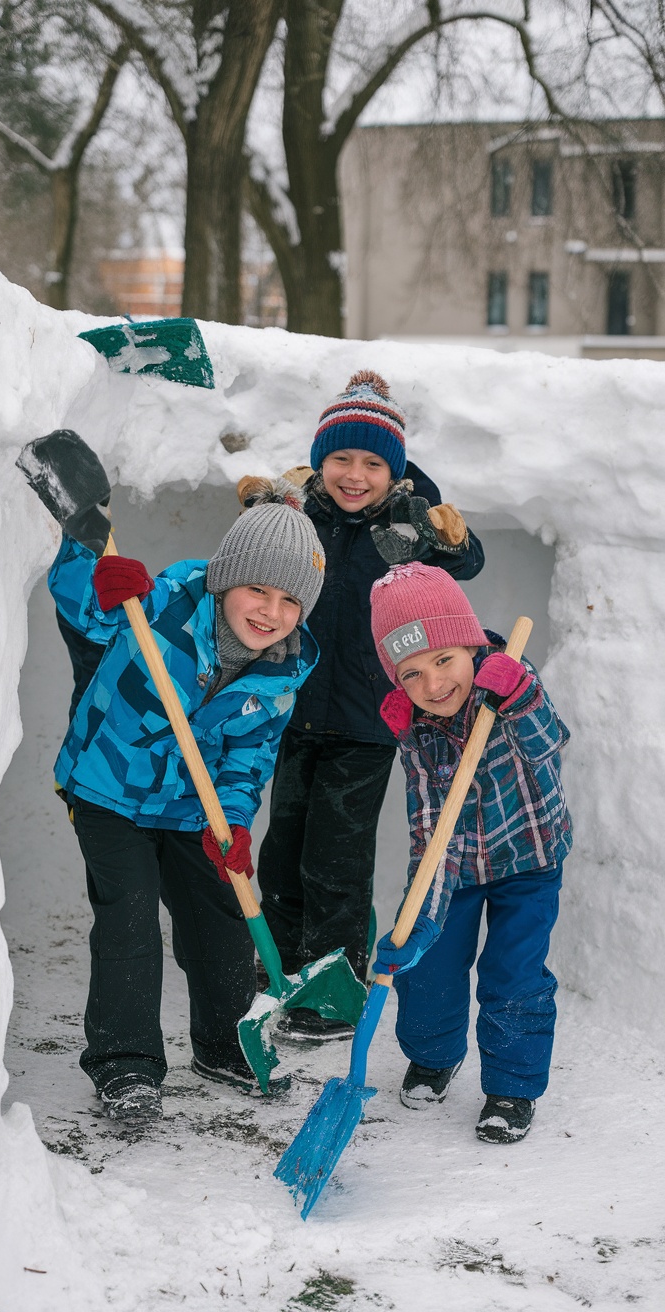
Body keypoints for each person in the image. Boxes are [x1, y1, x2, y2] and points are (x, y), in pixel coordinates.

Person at [48, 490, 325, 1122]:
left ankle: (225, 1043)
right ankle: (126, 1064)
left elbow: (251, 752)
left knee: (220, 913)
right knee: (130, 918)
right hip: (107, 788)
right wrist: (95, 577)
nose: (272, 612)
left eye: (290, 601)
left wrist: (231, 819)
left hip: (190, 805)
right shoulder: (164, 602)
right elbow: (85, 611)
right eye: (259, 590)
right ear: (226, 579)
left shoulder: (287, 666)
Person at [254, 370, 484, 1038]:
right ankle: (282, 971)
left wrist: (445, 538)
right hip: (292, 714)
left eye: (373, 463)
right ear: (320, 462)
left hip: (365, 721)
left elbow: (463, 562)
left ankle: (334, 991)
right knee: (283, 850)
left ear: (395, 470)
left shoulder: (409, 521)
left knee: (336, 860)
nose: (355, 475)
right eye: (341, 459)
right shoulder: (305, 516)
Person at [369, 561, 572, 1144]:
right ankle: (434, 1056)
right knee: (427, 961)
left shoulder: (510, 685)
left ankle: (510, 1087)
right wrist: (419, 912)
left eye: (443, 660)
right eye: (411, 674)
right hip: (454, 864)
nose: (433, 685)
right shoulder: (420, 727)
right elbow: (430, 821)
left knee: (514, 975)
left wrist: (522, 695)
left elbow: (551, 743)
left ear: (470, 643)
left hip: (529, 858)